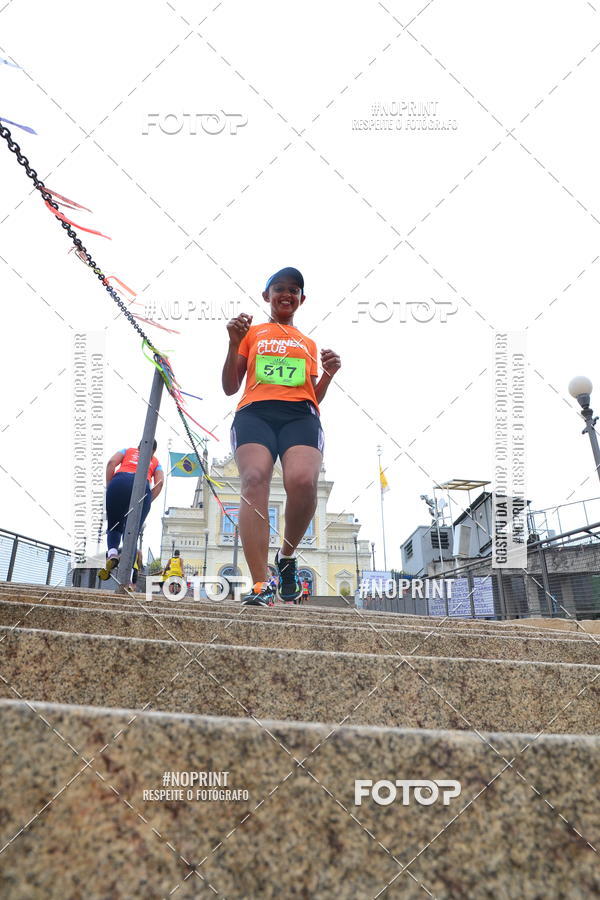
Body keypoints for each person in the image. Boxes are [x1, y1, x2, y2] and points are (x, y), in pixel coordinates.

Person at [222, 266, 341, 606]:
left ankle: (286, 557)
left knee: (303, 481)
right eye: (280, 289)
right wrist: (233, 344)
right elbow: (231, 386)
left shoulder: (308, 342)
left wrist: (328, 374)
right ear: (267, 296)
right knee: (254, 479)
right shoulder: (251, 332)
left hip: (299, 416)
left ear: (302, 299)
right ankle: (260, 583)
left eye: (294, 290)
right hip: (255, 413)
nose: (287, 294)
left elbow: (311, 394)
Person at [98, 441, 164, 581]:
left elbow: (111, 463)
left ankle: (113, 554)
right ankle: (127, 579)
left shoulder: (126, 450)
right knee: (131, 535)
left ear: (139, 446)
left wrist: (110, 487)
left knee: (114, 527)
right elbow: (159, 483)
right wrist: (146, 501)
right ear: (153, 451)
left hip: (119, 482)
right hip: (141, 486)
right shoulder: (155, 461)